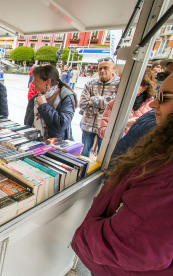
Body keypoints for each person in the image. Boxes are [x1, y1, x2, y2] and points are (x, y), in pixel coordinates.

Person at [72, 72, 173, 276]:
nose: (154, 106)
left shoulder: (165, 175)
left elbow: (126, 246)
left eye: (165, 98)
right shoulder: (163, 153)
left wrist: (87, 230)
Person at [98, 68, 155, 139]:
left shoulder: (153, 106)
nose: (129, 87)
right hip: (117, 147)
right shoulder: (114, 104)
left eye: (135, 84)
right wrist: (122, 125)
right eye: (126, 83)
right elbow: (102, 132)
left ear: (145, 88)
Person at [80, 58, 120, 157]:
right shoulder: (91, 83)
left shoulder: (119, 84)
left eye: (105, 68)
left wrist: (93, 100)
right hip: (88, 125)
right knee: (84, 154)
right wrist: (105, 104)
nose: (102, 71)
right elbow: (82, 104)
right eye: (100, 68)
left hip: (106, 126)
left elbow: (116, 105)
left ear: (113, 68)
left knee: (103, 155)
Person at [24, 65, 77, 140]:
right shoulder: (35, 99)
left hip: (55, 146)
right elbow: (27, 123)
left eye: (36, 80)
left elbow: (61, 124)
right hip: (36, 144)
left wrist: (44, 105)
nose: (32, 82)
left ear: (48, 82)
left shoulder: (65, 97)